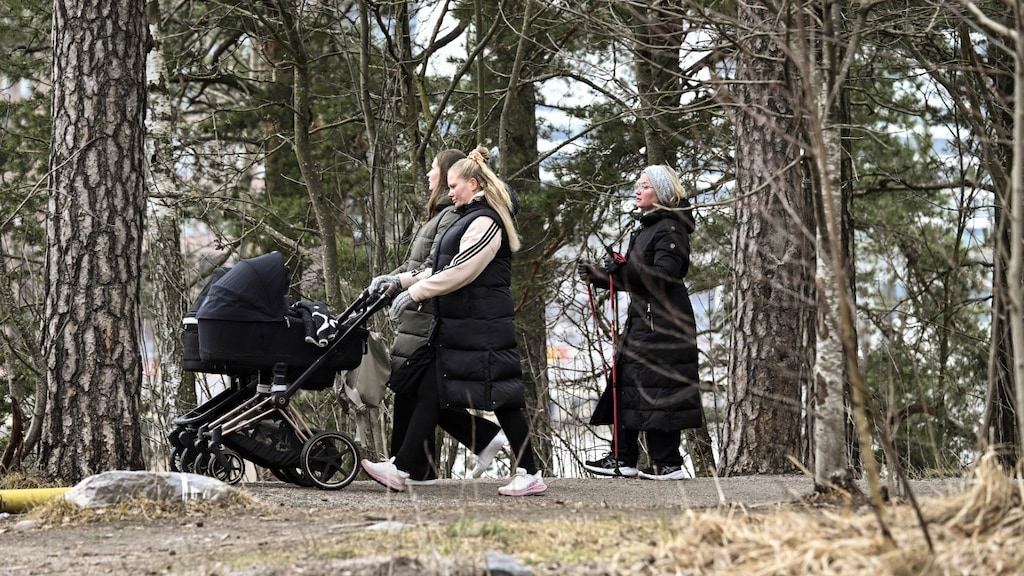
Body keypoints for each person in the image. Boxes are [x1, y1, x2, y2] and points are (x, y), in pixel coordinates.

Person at [362, 146, 546, 496]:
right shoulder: (469, 217)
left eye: (453, 185)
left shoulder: (486, 221)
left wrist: (416, 294)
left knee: (504, 400)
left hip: (482, 326)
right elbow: (442, 268)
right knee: (432, 389)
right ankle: (401, 467)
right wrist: (401, 282)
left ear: (473, 184)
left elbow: (462, 271)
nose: (448, 191)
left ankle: (529, 471)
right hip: (463, 324)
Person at [576, 165, 702, 481]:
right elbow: (636, 280)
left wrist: (623, 269)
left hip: (665, 325)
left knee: (659, 389)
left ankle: (667, 463)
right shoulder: (646, 227)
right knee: (626, 385)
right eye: (637, 184)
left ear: (660, 193)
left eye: (644, 185)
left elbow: (663, 277)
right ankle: (624, 458)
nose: (637, 189)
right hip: (643, 322)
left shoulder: (670, 228)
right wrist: (603, 276)